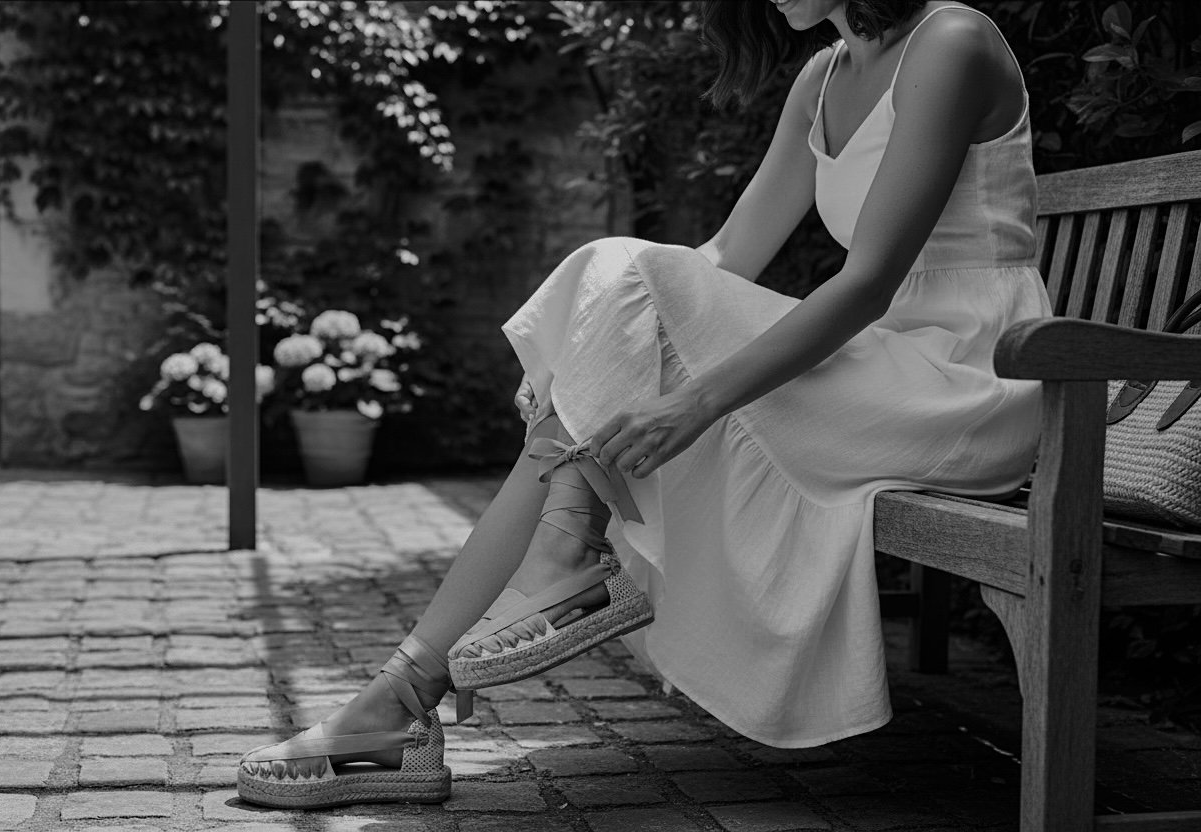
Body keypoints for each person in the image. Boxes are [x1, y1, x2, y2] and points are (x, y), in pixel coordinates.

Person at [237, 0, 1051, 808]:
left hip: (966, 380)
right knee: (598, 328)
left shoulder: (950, 42)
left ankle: (505, 614)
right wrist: (587, 346)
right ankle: (412, 689)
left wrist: (690, 403)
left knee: (615, 302)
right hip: (878, 368)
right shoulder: (822, 77)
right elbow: (728, 256)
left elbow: (868, 283)